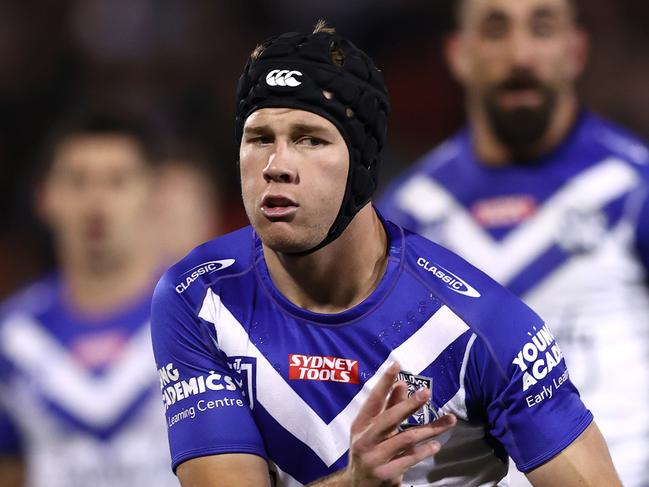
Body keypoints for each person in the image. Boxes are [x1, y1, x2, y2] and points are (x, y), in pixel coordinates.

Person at [150, 21, 621, 486]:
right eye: (259, 139)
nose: (276, 166)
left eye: (309, 139)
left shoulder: (483, 328)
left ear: (363, 164)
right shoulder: (199, 297)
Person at [377, 0, 649, 485]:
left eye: (541, 29)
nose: (520, 54)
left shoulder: (635, 187)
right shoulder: (405, 218)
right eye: (495, 29)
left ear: (575, 50)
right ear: (459, 54)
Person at [0, 113, 179, 487]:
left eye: (118, 181)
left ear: (153, 193)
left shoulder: (201, 318)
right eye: (78, 181)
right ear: (45, 197)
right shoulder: (13, 337)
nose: (97, 202)